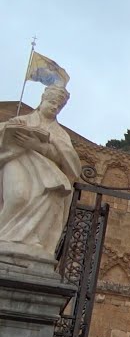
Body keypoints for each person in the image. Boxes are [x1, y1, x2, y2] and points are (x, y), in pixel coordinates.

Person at [0, 85, 82, 259]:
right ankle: (4, 238)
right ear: (42, 101)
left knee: (53, 194)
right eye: (52, 102)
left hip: (45, 171)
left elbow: (70, 162)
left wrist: (38, 146)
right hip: (18, 161)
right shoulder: (21, 120)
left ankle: (33, 241)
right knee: (17, 196)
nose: (55, 107)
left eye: (58, 106)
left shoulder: (60, 134)